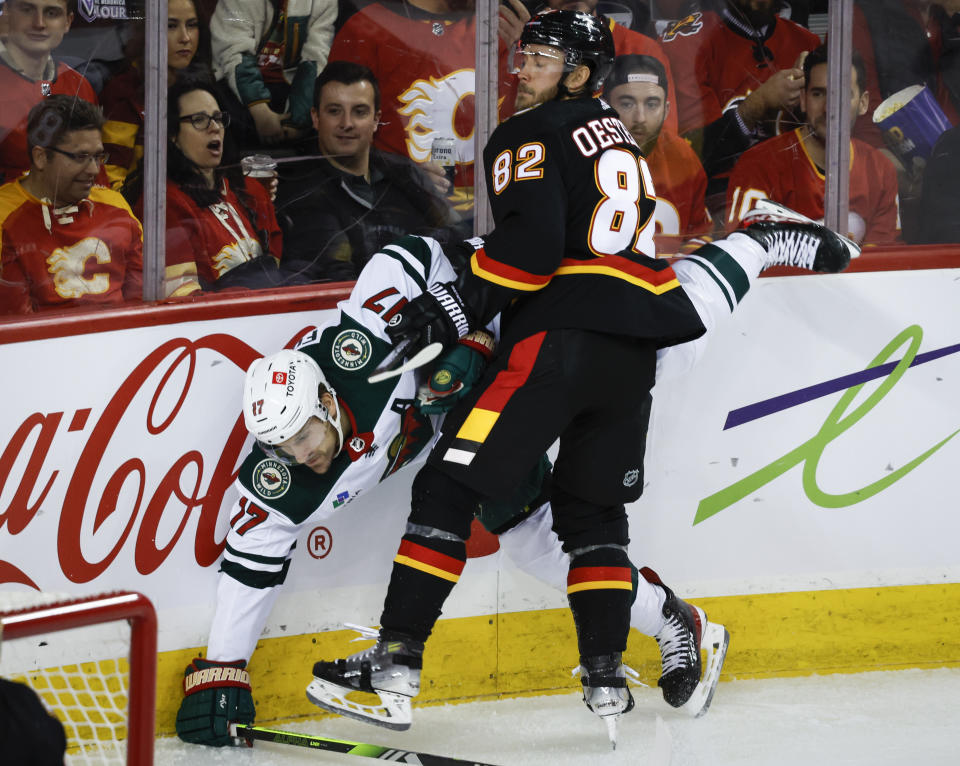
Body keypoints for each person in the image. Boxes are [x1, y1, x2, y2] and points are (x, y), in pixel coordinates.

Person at [306, 9, 856, 743]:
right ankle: (603, 674)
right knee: (591, 517)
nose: (519, 67)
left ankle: (396, 668)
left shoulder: (523, 133)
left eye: (538, 57)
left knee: (448, 488)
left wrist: (453, 302)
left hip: (560, 339)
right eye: (524, 53)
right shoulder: (614, 131)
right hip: (633, 340)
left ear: (577, 71)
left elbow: (529, 254)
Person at [326, 0, 532, 213]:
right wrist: (401, 174)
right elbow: (337, 140)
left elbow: (534, 123)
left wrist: (534, 57)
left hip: (498, 211)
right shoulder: (367, 27)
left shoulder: (506, 25)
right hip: (400, 214)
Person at [275, 61, 464, 283]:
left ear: (376, 120)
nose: (347, 123)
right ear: (316, 118)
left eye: (359, 112)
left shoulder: (404, 173)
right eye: (334, 111)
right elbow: (336, 281)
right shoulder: (303, 194)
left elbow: (458, 236)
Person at [123, 78, 284, 297]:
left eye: (218, 118)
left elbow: (278, 275)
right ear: (172, 135)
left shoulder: (250, 190)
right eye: (199, 120)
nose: (214, 127)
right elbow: (182, 299)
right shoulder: (162, 203)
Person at [726, 45, 901, 246]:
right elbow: (744, 257)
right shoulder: (758, 166)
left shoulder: (881, 171)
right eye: (818, 94)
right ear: (803, 100)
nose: (829, 109)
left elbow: (881, 266)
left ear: (863, 103)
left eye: (842, 95)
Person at [659, 0, 819, 209]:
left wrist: (812, 98)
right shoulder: (688, 43)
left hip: (798, 192)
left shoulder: (807, 42)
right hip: (722, 199)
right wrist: (759, 104)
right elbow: (692, 155)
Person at [0, 95, 143, 314]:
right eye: (81, 157)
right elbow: (15, 327)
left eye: (97, 157)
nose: (95, 170)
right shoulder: (4, 217)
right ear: (40, 157)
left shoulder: (116, 206)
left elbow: (143, 304)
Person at [603, 53, 712, 254]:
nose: (640, 118)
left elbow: (701, 234)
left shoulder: (682, 158)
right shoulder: (582, 155)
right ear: (605, 106)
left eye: (652, 104)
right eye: (627, 104)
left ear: (666, 109)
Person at [100, 0, 213, 189]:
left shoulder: (200, 84)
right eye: (171, 26)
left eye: (192, 25)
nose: (185, 37)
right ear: (148, 31)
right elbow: (111, 184)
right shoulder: (125, 92)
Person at [210, 0, 337, 149]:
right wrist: (260, 111)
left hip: (290, 84)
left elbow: (316, 58)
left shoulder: (323, 2)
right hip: (236, 87)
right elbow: (233, 53)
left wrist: (297, 122)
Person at [0, 0, 98, 184]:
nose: (39, 23)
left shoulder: (78, 85)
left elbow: (96, 174)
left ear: (68, 22)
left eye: (51, 13)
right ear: (7, 12)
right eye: (27, 10)